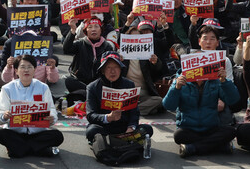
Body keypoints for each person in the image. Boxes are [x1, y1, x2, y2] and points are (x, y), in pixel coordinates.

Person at [163, 25, 239, 158]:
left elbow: (233, 100)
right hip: (189, 128)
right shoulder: (181, 79)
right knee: (178, 136)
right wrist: (176, 87)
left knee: (231, 132)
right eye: (195, 63)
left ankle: (194, 148)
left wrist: (224, 82)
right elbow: (168, 105)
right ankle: (219, 145)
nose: (199, 66)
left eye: (202, 63)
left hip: (211, 127)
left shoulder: (215, 80)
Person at [85, 51, 153, 163]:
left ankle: (115, 145)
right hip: (104, 129)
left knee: (147, 129)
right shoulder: (92, 88)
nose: (113, 71)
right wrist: (108, 117)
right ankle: (124, 145)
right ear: (102, 70)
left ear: (121, 69)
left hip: (124, 129)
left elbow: (134, 112)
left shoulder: (129, 85)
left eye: (116, 67)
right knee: (92, 131)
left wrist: (131, 127)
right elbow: (90, 115)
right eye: (108, 68)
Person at [0, 54, 63, 158]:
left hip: (37, 133)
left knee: (57, 136)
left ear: (35, 69)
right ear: (16, 71)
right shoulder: (7, 89)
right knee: (1, 134)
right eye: (22, 67)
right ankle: (38, 150)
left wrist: (51, 118)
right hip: (15, 132)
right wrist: (4, 116)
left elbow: (51, 109)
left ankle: (21, 150)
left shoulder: (43, 87)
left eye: (29, 67)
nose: (26, 70)